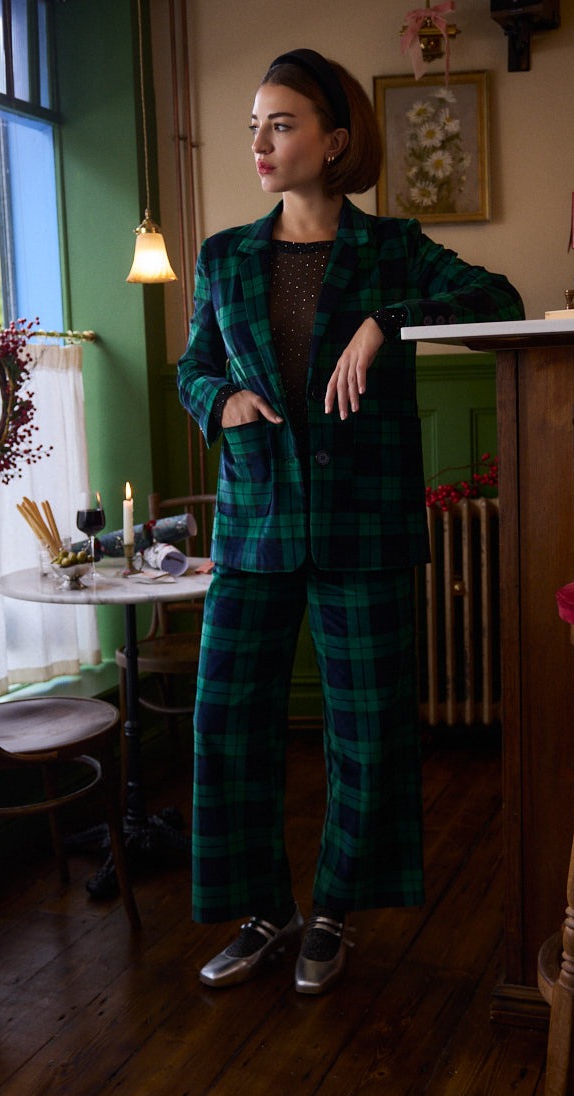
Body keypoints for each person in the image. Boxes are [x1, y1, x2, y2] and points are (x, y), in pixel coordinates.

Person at [177, 47, 524, 996]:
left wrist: (387, 320)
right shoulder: (223, 256)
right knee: (226, 721)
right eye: (253, 125)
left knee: (367, 732)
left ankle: (333, 909)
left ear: (334, 142)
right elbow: (194, 366)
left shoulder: (394, 246)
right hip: (254, 521)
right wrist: (220, 401)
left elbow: (499, 298)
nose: (259, 142)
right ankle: (265, 912)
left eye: (281, 125)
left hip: (363, 524)